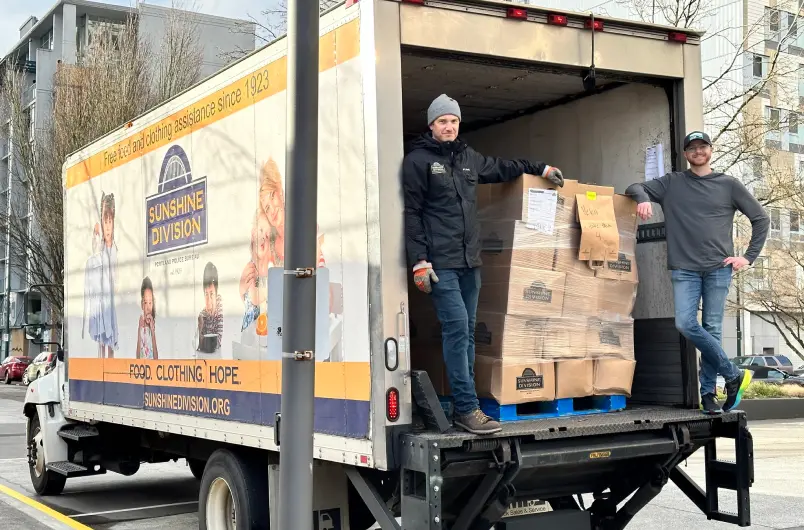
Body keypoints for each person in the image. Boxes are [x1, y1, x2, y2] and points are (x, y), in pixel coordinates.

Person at [403, 94, 564, 435]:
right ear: (431, 125)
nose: (449, 126)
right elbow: (413, 214)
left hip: (469, 263)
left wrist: (540, 168)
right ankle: (467, 409)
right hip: (440, 264)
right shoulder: (418, 161)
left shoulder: (468, 158)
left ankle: (468, 402)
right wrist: (419, 261)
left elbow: (503, 168)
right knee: (458, 329)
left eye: (454, 121)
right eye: (443, 121)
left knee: (468, 334)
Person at [625, 131, 769, 415]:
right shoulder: (672, 183)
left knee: (713, 331)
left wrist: (749, 258)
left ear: (710, 150)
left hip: (719, 269)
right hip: (684, 269)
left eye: (702, 146)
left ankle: (708, 396)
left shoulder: (728, 184)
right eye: (692, 148)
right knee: (685, 324)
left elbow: (760, 218)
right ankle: (732, 373)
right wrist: (642, 199)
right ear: (686, 154)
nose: (698, 151)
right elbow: (634, 186)